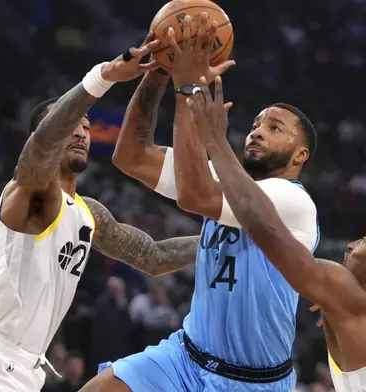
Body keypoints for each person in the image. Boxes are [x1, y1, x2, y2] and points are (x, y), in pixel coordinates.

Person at [0, 34, 201, 392]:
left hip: (25, 370)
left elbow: (154, 256)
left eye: (87, 127)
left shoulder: (90, 214)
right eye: (72, 125)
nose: (81, 132)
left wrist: (226, 237)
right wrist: (102, 77)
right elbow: (44, 143)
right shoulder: (29, 192)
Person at [183, 75, 366, 391]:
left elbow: (259, 223)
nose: (351, 245)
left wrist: (215, 140)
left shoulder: (354, 300)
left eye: (364, 240)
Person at [83, 14, 320, 392]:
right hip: (185, 356)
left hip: (250, 381)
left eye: (274, 128)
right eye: (257, 123)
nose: (258, 130)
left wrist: (189, 88)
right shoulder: (218, 178)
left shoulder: (293, 202)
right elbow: (131, 155)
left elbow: (196, 196)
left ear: (300, 155)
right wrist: (159, 70)